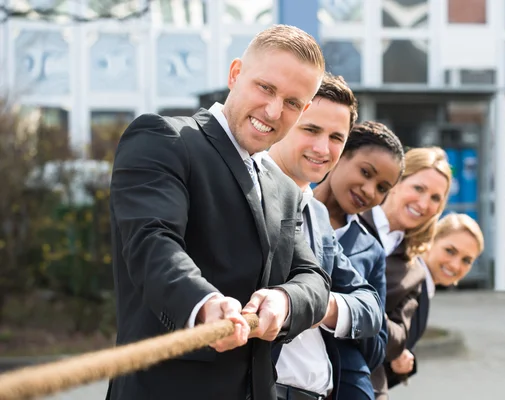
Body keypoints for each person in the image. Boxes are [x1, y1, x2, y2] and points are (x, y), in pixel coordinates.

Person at [107, 25, 332, 400]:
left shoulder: (283, 189)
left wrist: (286, 300)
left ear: (304, 109)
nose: (274, 111)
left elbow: (314, 279)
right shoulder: (165, 139)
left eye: (293, 102)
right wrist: (204, 304)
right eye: (266, 88)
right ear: (235, 74)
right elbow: (152, 243)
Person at [267, 72, 383, 400]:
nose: (323, 148)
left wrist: (322, 307)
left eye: (336, 137)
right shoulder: (246, 193)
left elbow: (370, 306)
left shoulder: (317, 213)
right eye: (311, 130)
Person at [313, 121, 405, 400]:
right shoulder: (286, 206)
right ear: (340, 154)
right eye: (366, 173)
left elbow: (377, 347)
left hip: (342, 388)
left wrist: (341, 311)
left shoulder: (371, 251)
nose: (369, 190)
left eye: (382, 188)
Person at [358, 146, 452, 400]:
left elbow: (398, 340)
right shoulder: (350, 219)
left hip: (367, 386)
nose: (424, 204)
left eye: (435, 198)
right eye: (419, 188)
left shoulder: (414, 270)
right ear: (397, 180)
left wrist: (354, 307)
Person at [386, 213, 484, 378]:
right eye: (450, 251)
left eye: (466, 260)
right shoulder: (408, 278)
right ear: (430, 240)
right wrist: (394, 352)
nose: (455, 265)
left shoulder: (422, 284)